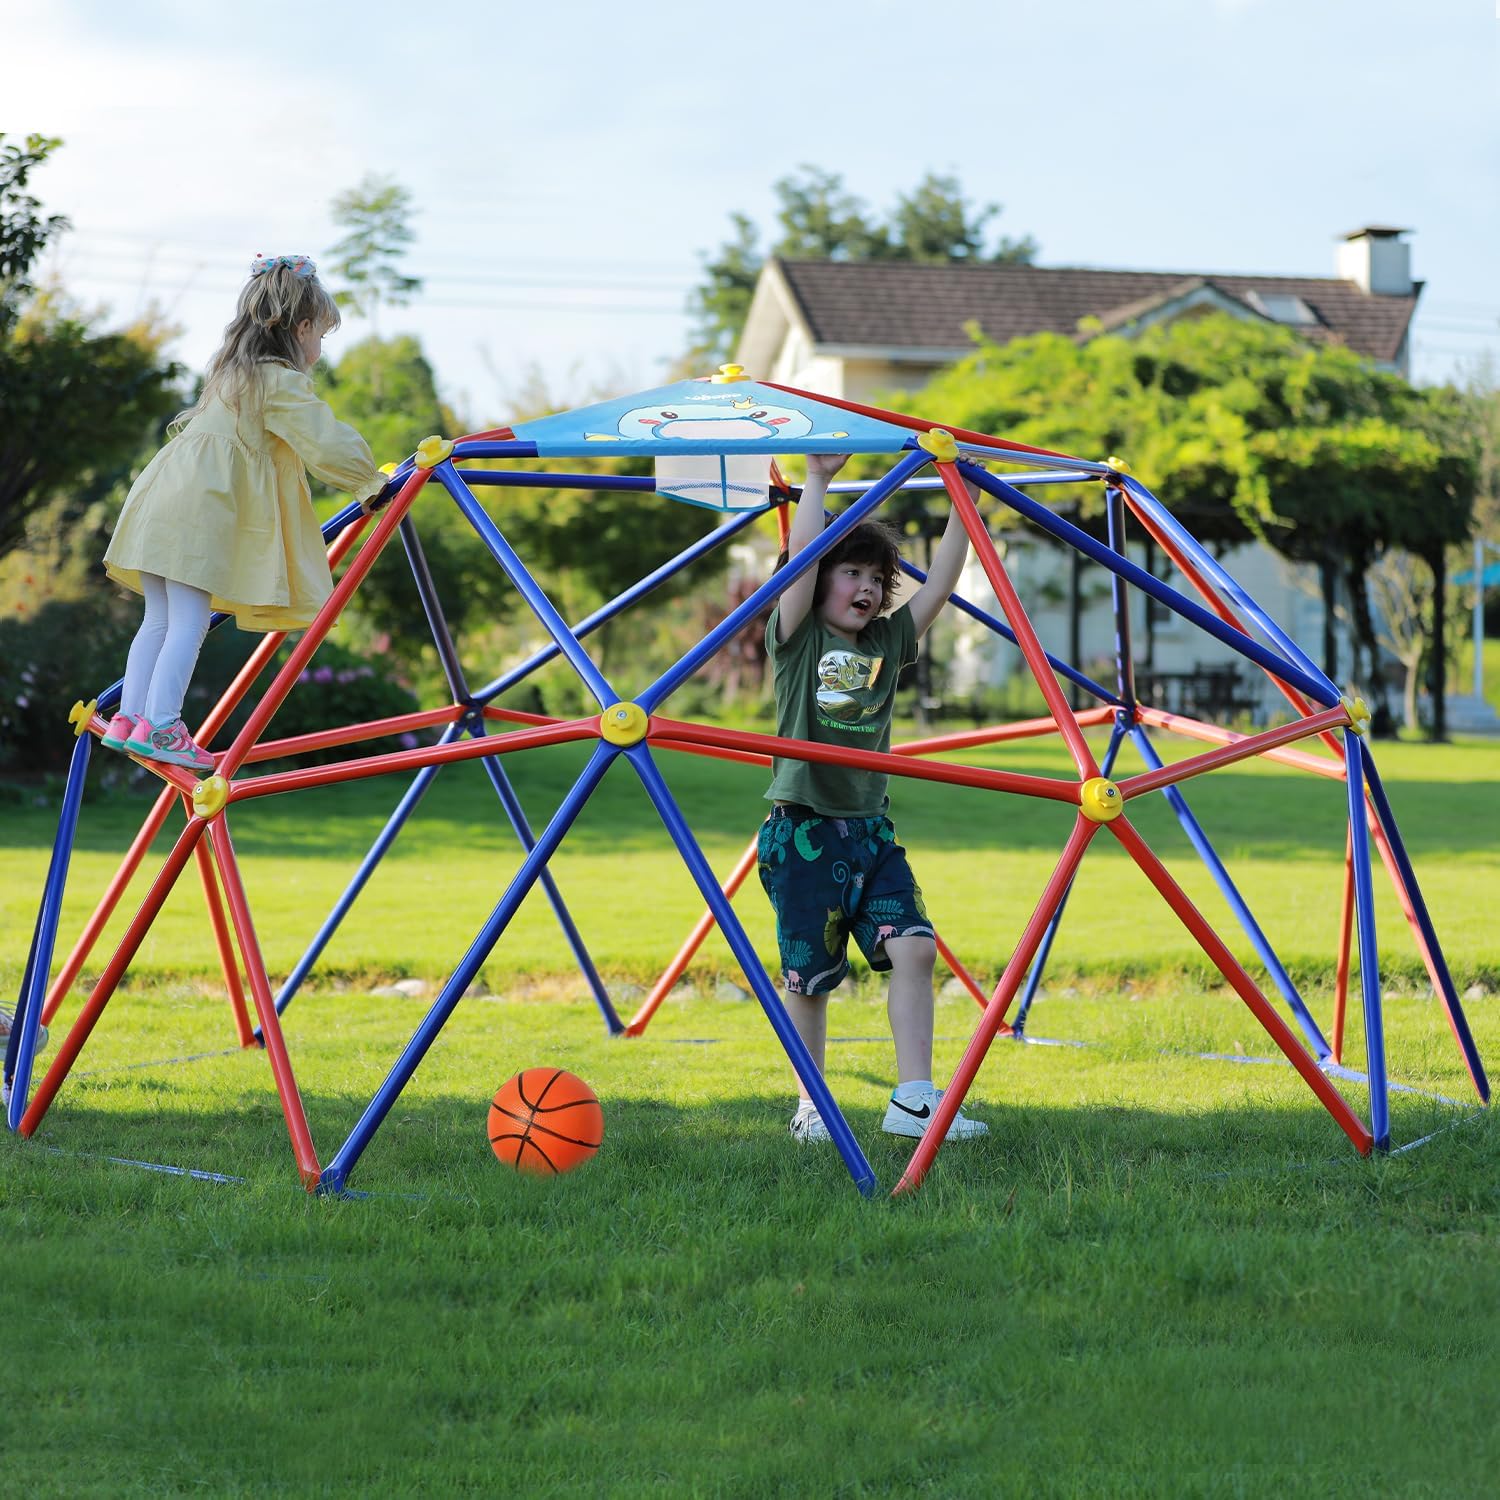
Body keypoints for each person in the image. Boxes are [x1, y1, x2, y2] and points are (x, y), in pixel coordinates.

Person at [758, 450, 989, 1145]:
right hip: (804, 829)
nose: (865, 587)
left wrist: (965, 502)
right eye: (850, 572)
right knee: (810, 979)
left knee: (916, 950)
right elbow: (800, 566)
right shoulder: (796, 639)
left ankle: (915, 1100)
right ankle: (812, 1108)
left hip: (868, 832)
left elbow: (940, 586)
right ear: (822, 578)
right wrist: (820, 481)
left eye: (875, 578)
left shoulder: (888, 641)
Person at [100, 254, 390, 772]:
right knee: (188, 620)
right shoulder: (277, 381)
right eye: (321, 335)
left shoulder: (230, 375)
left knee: (159, 619)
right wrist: (368, 480)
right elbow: (323, 440)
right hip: (198, 511)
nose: (320, 350)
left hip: (160, 499)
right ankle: (163, 726)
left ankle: (130, 719)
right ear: (301, 328)